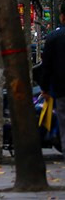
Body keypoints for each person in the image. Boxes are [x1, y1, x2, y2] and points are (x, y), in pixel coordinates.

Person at [40, 10, 65, 154]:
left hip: (61, 89)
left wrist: (44, 88)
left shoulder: (54, 37)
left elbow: (46, 66)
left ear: (62, 17)